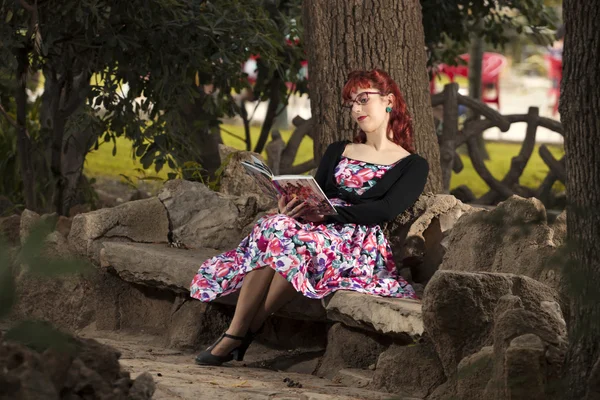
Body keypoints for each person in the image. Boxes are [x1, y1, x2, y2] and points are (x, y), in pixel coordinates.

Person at [190, 69, 429, 366]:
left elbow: (385, 210)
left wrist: (327, 216)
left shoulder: (413, 164)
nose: (356, 109)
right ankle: (241, 331)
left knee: (293, 237)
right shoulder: (338, 150)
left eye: (363, 99)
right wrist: (291, 204)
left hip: (357, 240)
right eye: (352, 103)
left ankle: (241, 332)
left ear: (389, 101)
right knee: (276, 224)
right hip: (316, 226)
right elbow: (320, 191)